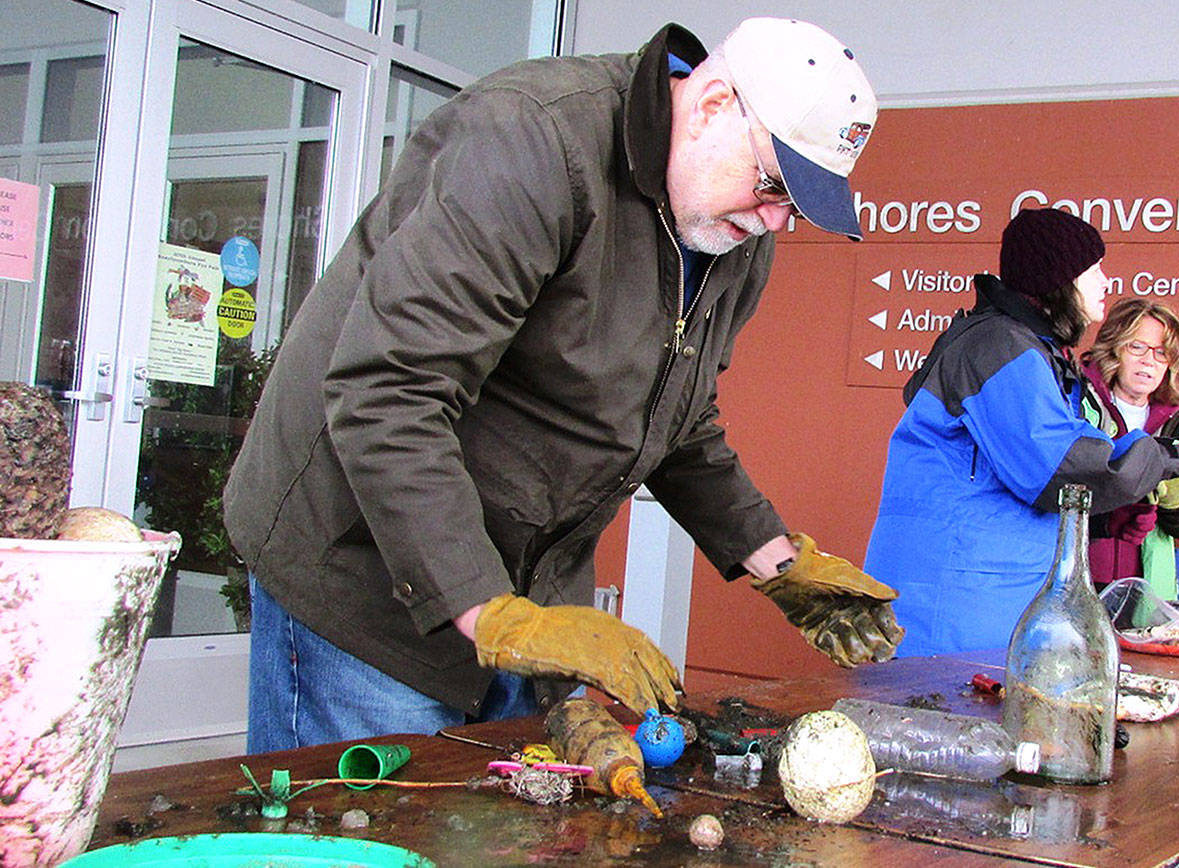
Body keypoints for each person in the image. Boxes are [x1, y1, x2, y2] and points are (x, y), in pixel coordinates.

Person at [224, 18, 904, 752]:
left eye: (796, 208)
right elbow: (390, 392)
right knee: (361, 845)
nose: (774, 220)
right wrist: (497, 617)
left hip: (521, 591)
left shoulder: (733, 231)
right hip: (363, 581)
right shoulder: (530, 142)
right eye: (773, 185)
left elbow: (676, 418)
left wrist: (777, 561)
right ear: (710, 104)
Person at [862, 207, 1179, 657]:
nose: (1105, 282)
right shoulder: (1000, 347)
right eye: (1094, 270)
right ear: (1061, 279)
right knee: (940, 718)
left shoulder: (1031, 350)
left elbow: (1031, 473)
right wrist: (1172, 458)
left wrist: (1105, 517)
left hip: (987, 597)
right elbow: (1057, 466)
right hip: (954, 607)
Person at [1080, 298, 1179, 599]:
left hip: (1149, 596)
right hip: (1076, 586)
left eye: (1161, 352)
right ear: (1114, 349)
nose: (1149, 360)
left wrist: (1176, 500)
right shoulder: (1076, 403)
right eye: (1136, 347)